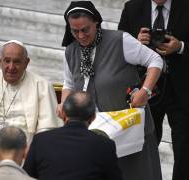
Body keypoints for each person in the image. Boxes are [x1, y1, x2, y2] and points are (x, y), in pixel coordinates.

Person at [57, 1, 164, 180]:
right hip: (96, 131)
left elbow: (155, 60)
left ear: (96, 23)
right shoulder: (70, 51)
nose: (81, 35)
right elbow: (69, 83)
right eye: (75, 31)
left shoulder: (120, 40)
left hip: (130, 129)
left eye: (85, 29)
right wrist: (63, 104)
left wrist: (145, 90)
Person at [0, 40, 63, 176]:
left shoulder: (42, 86)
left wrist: (33, 158)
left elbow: (46, 131)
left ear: (26, 62)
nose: (11, 67)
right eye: (7, 61)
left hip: (25, 160)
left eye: (17, 62)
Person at [118, 0, 189, 179]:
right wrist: (134, 42)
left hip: (182, 89)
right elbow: (117, 46)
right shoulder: (132, 7)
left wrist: (180, 46)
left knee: (184, 147)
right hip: (147, 88)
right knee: (144, 145)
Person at [24, 91, 123, 180]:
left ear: (62, 113)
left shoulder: (40, 140)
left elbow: (25, 176)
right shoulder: (105, 145)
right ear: (93, 117)